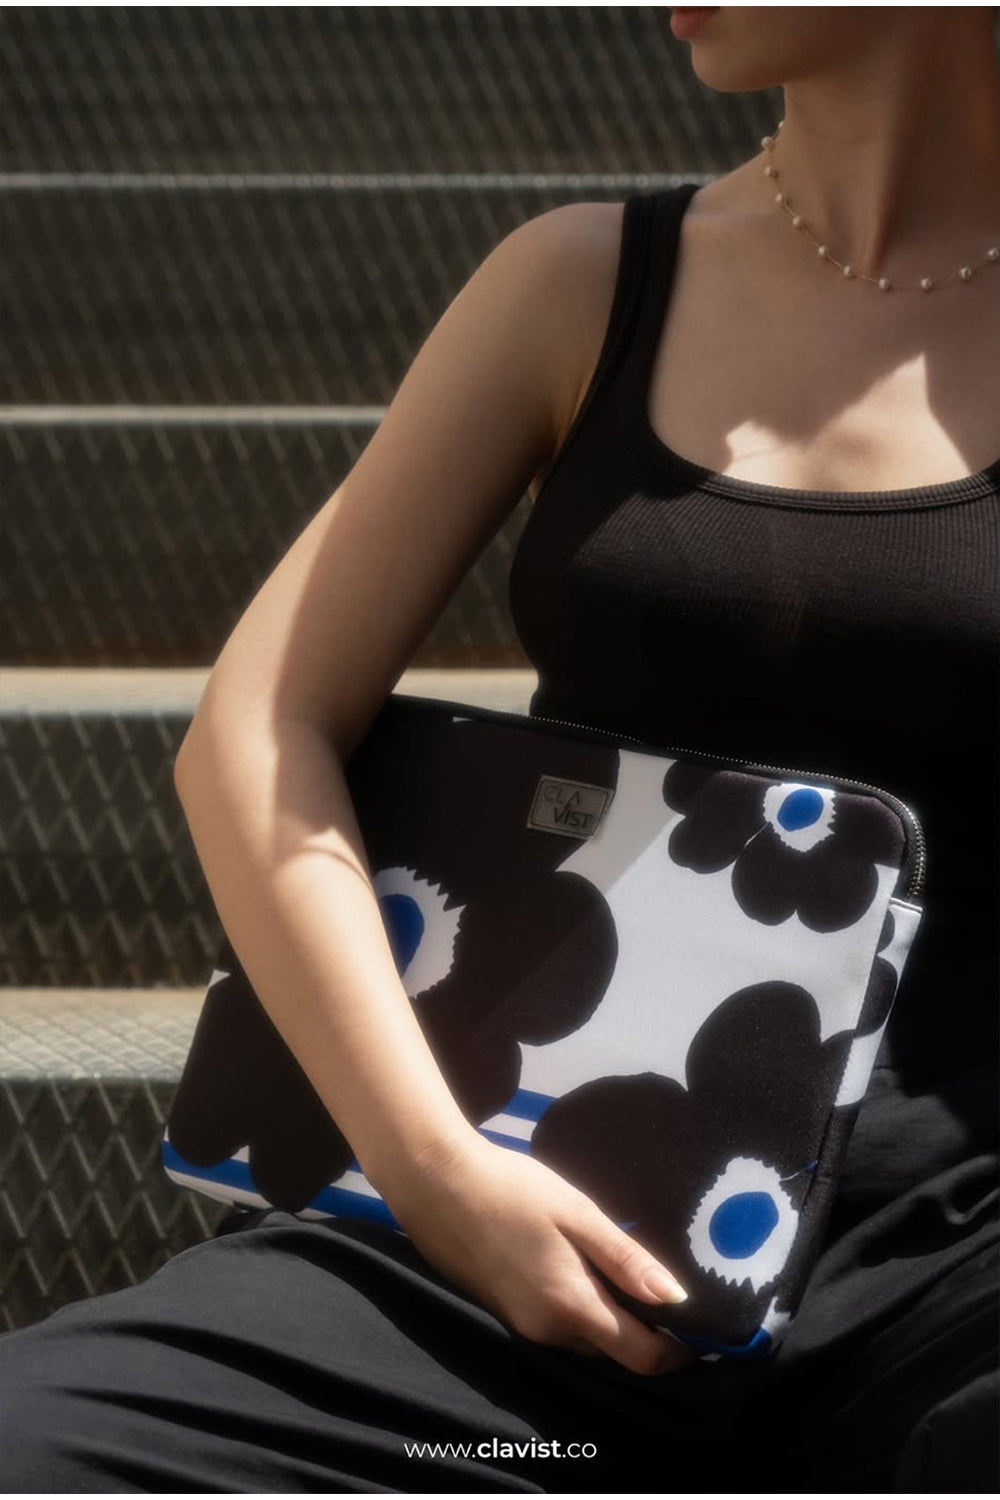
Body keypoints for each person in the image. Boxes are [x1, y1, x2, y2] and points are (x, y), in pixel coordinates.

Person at [2, 6, 998, 1492]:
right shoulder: (581, 280)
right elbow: (256, 727)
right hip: (509, 1239)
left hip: (955, 1271)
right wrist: (438, 1174)